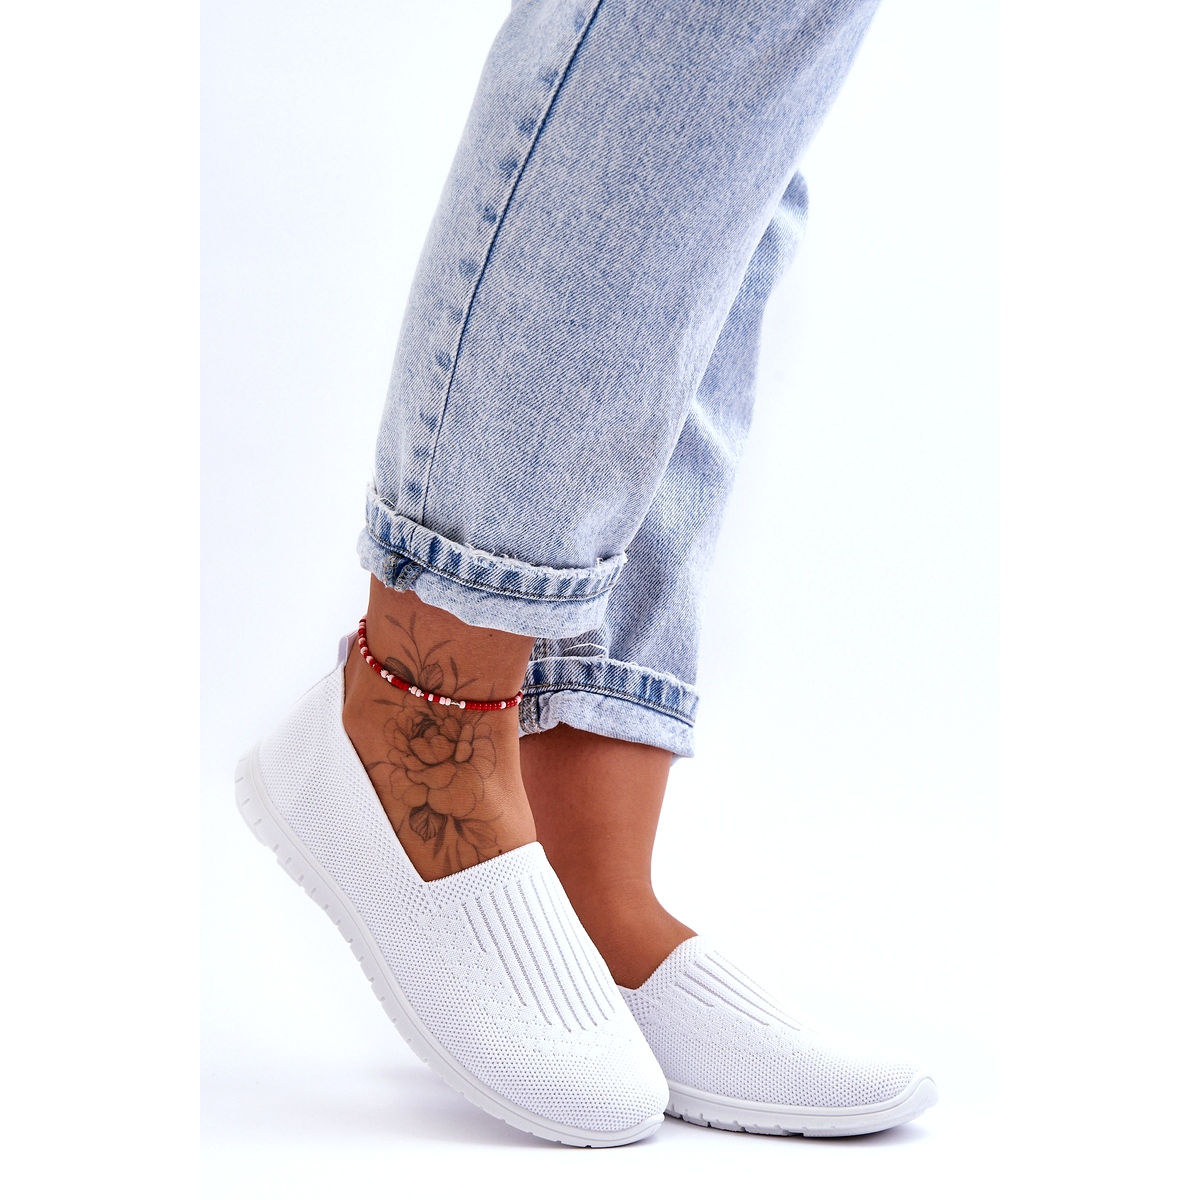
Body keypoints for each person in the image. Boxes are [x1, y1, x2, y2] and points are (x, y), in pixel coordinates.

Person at [237, 0, 936, 1145]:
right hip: (428, 691)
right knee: (696, 37)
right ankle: (422, 697)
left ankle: (580, 861)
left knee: (741, 120)